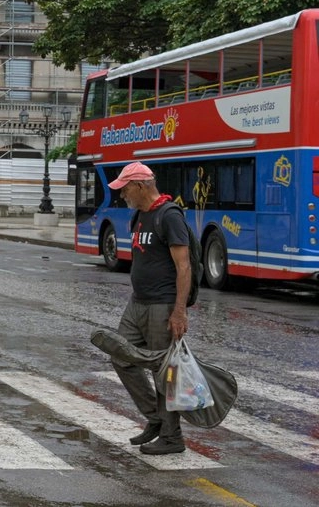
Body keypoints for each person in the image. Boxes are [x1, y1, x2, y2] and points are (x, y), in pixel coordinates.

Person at [107, 162, 192, 456]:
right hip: (137, 303)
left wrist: (179, 311)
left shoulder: (169, 216)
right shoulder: (140, 215)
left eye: (125, 189)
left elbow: (184, 266)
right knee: (120, 355)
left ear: (140, 186)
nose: (122, 195)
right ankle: (156, 419)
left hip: (162, 305)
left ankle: (172, 437)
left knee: (165, 372)